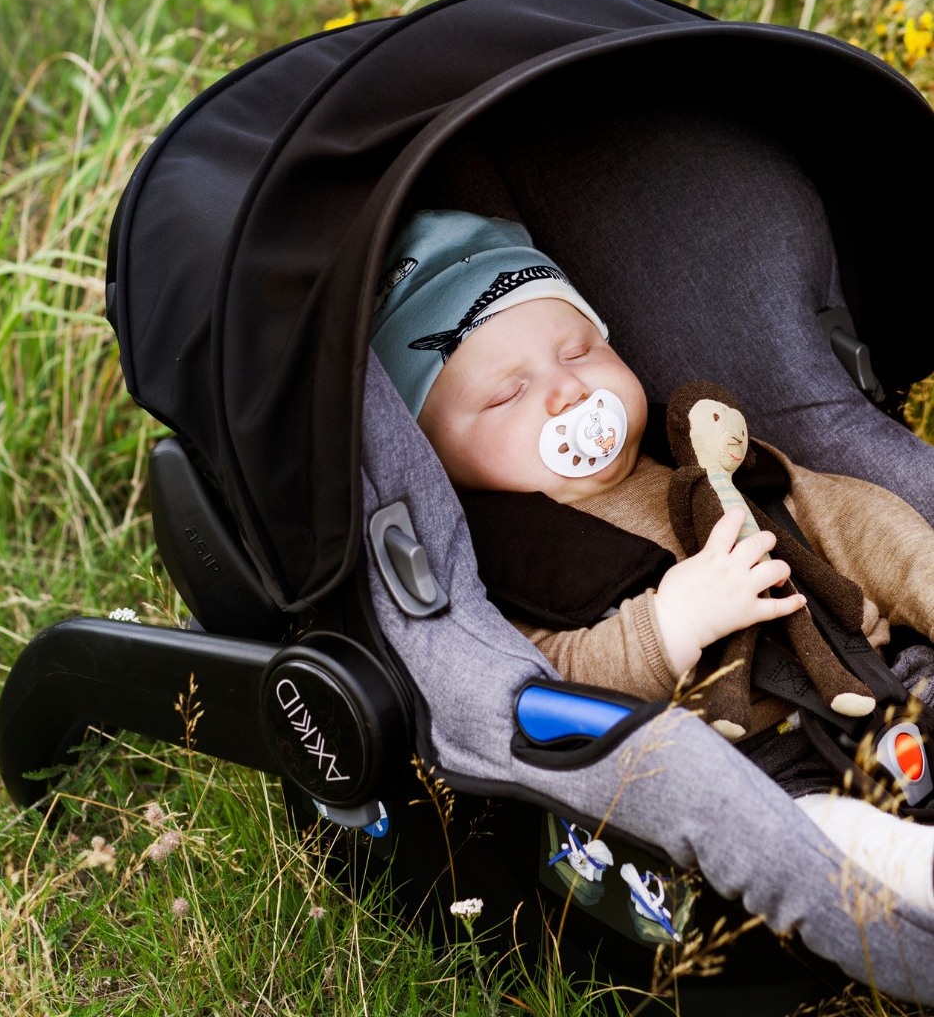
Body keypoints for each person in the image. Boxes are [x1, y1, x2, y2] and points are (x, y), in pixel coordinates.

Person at [371, 208, 934, 911]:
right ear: (436, 456)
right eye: (506, 393)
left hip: (875, 671)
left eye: (580, 351)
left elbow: (838, 512)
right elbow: (549, 686)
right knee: (809, 836)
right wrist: (669, 623)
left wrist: (920, 581)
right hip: (745, 766)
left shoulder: (696, 455)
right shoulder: (500, 564)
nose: (568, 389)